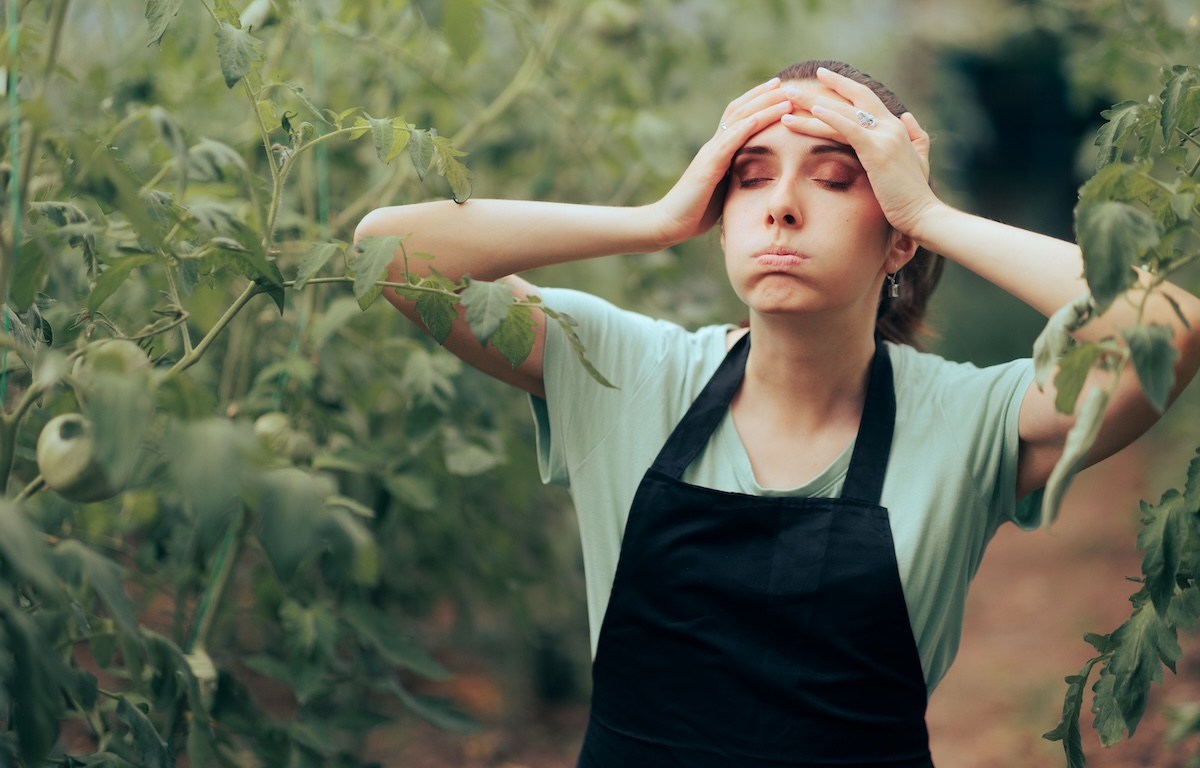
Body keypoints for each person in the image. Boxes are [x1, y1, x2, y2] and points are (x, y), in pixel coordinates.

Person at [355, 60, 1200, 767]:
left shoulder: (969, 418)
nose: (782, 205)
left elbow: (1166, 330)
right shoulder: (629, 371)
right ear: (719, 220)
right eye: (750, 178)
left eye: (836, 178)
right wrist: (654, 221)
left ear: (896, 237)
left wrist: (934, 215)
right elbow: (388, 252)